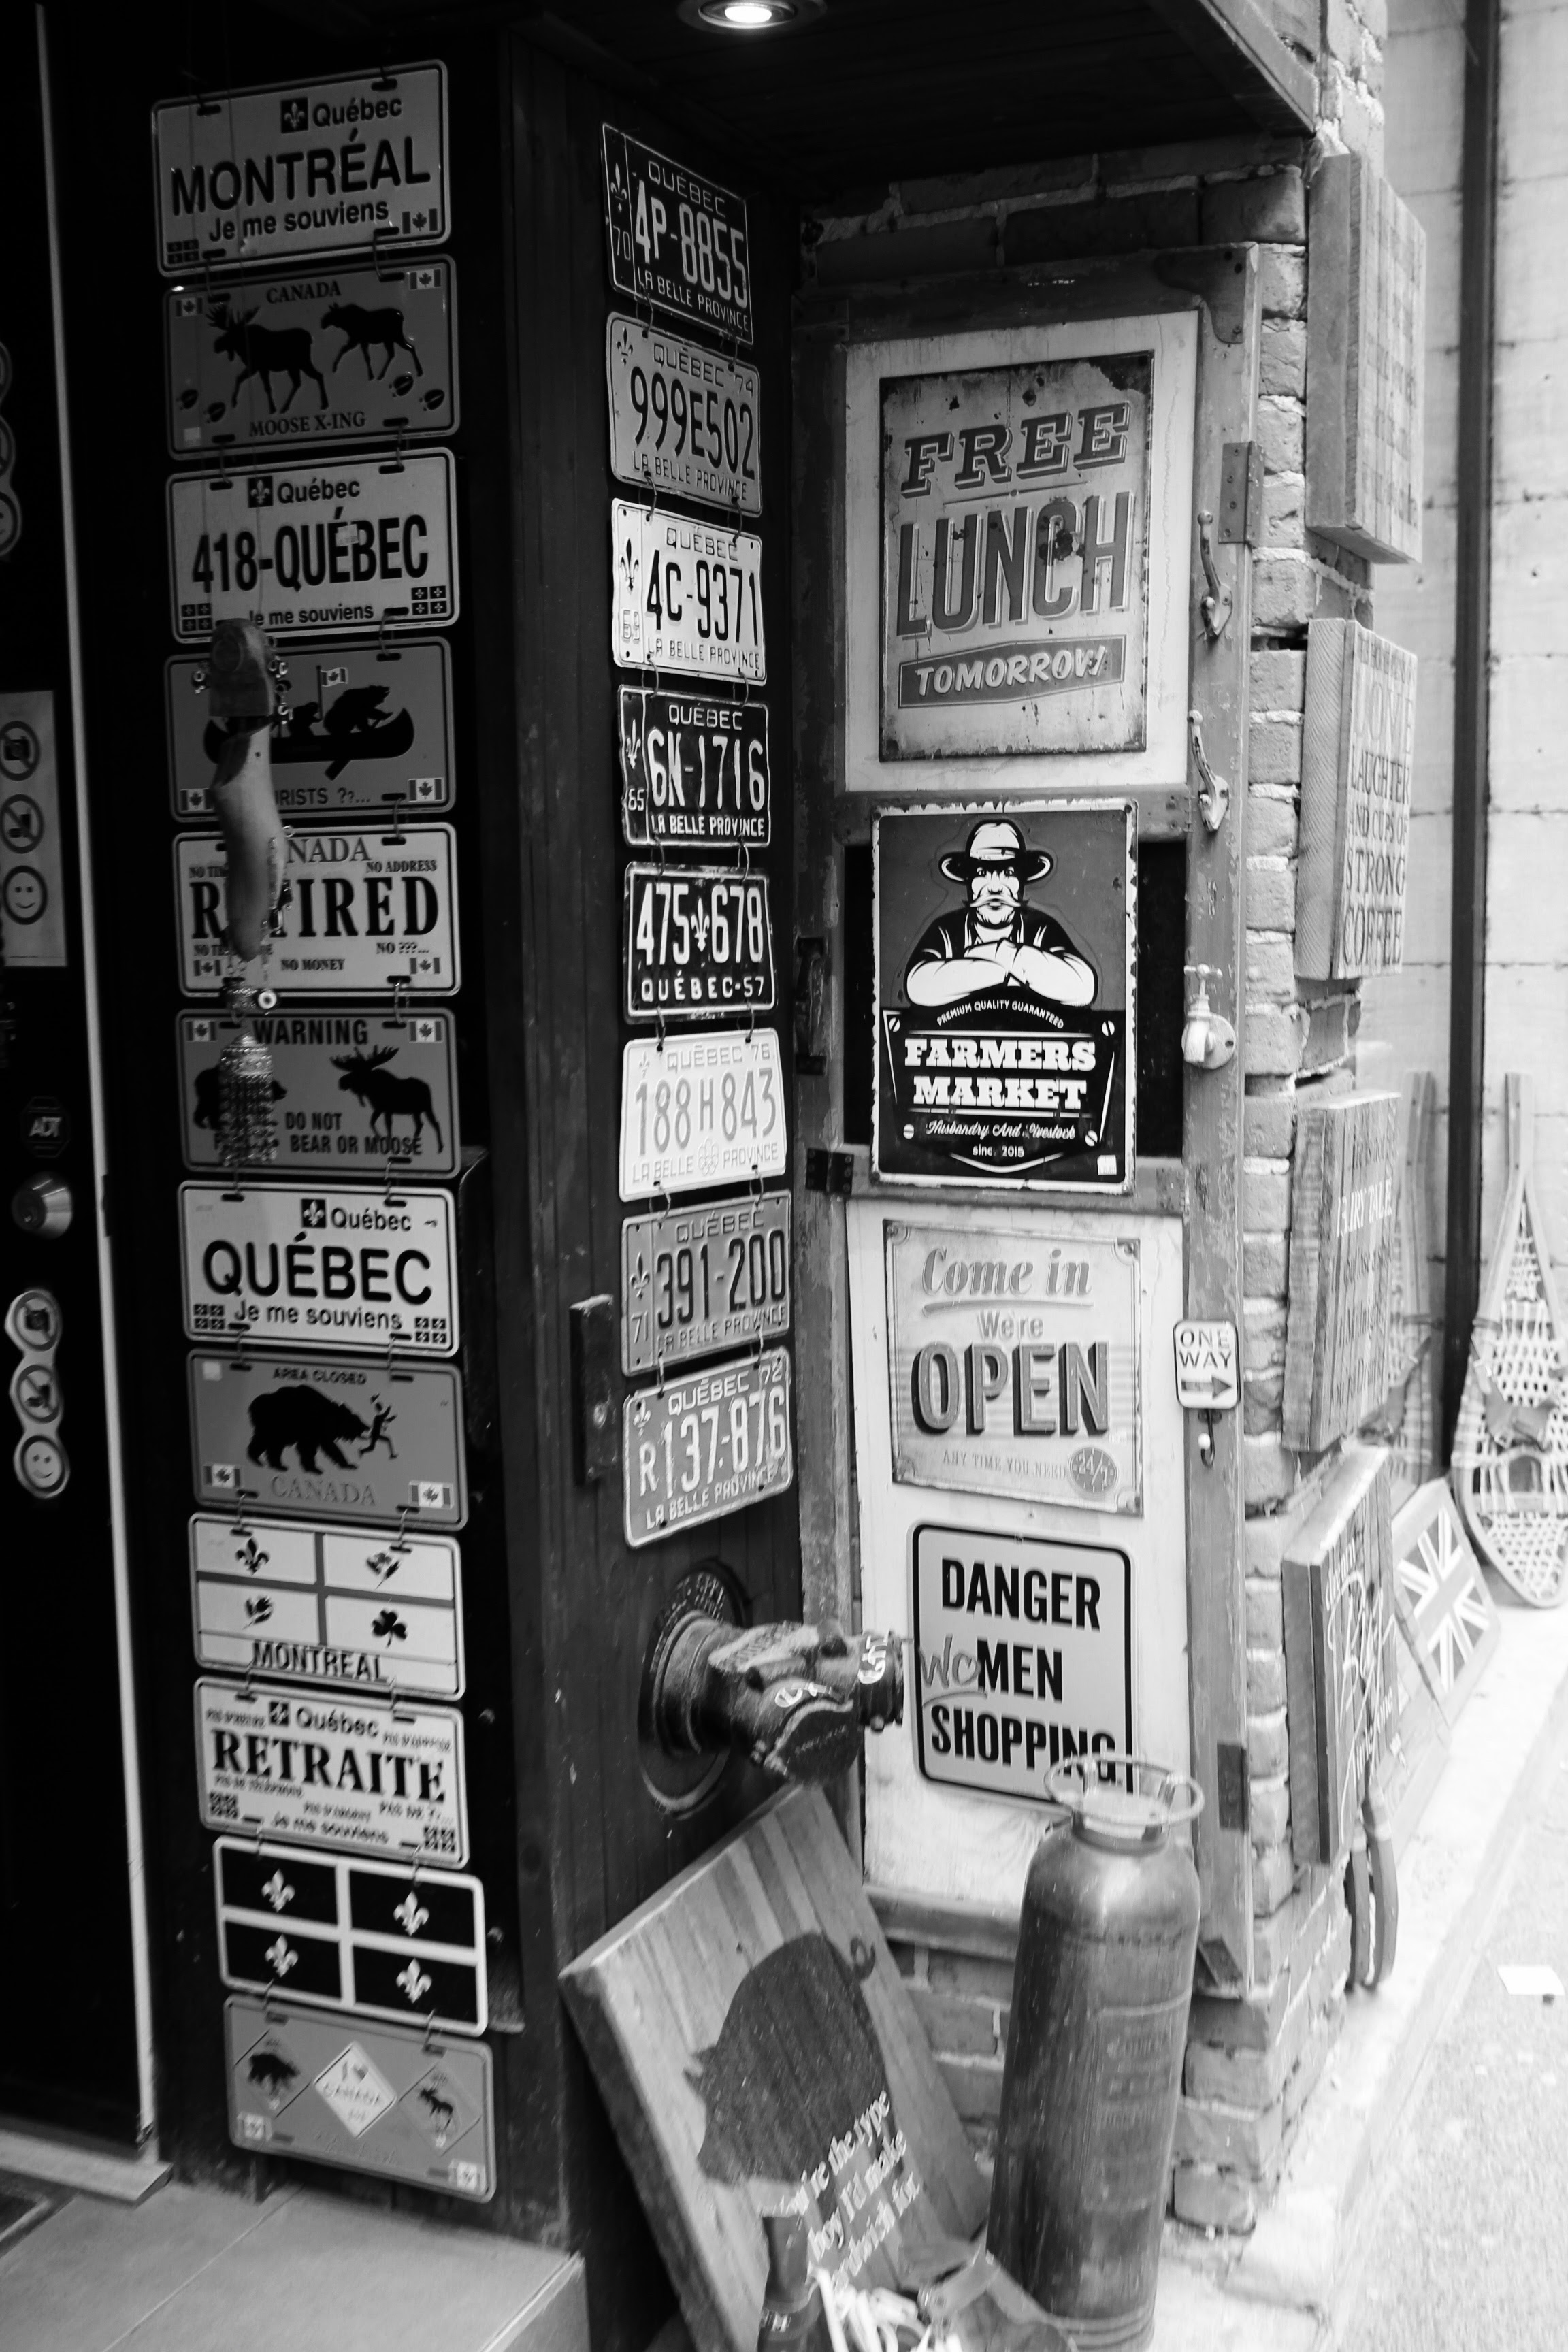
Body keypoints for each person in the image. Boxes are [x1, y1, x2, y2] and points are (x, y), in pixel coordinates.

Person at [903, 818, 1097, 1010]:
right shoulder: (947, 930)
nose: (995, 887)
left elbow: (1083, 987)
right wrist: (1006, 972)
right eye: (982, 873)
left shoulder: (1040, 928)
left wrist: (1001, 953)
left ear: (1021, 881)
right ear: (969, 881)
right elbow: (917, 985)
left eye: (1008, 873)